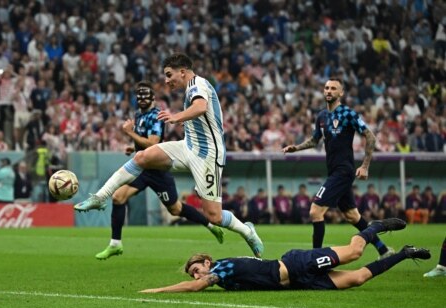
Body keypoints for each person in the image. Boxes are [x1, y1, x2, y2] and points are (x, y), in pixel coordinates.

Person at [75, 53, 263, 257]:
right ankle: (101, 197)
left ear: (182, 72)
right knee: (142, 157)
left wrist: (175, 117)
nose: (166, 80)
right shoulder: (190, 88)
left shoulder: (197, 83)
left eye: (169, 74)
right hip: (188, 146)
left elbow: (200, 107)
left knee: (214, 216)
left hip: (207, 155)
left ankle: (247, 230)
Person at [93, 81, 225, 260]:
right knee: (118, 197)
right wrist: (133, 148)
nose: (141, 99)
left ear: (152, 98)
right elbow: (145, 143)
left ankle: (211, 225)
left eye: (145, 96)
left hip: (157, 170)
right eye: (139, 96)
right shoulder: (139, 115)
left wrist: (129, 133)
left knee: (176, 209)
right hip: (142, 168)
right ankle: (115, 244)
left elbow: (154, 143)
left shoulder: (155, 115)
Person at [140, 218, 431, 293]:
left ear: (207, 262)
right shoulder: (224, 280)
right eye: (194, 273)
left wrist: (159, 289)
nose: (197, 275)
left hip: (295, 264)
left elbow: (195, 287)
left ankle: (377, 227)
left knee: (355, 251)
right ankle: (405, 254)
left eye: (197, 270)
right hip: (299, 282)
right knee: (358, 279)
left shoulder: (223, 268)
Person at [282, 78, 393, 258]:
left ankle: (314, 259)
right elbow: (314, 140)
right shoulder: (322, 116)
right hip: (334, 171)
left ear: (340, 93)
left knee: (315, 211)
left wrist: (365, 166)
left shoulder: (348, 114)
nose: (329, 91)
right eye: (326, 88)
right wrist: (297, 147)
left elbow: (370, 136)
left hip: (344, 170)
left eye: (333, 88)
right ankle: (383, 249)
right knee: (352, 216)